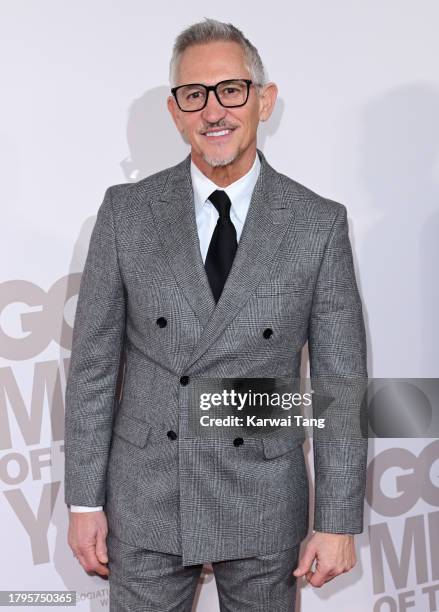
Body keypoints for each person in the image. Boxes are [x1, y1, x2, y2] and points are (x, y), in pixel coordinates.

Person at [64, 18, 368, 611]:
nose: (213, 112)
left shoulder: (317, 222)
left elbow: (340, 383)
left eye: (231, 90)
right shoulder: (126, 213)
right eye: (193, 95)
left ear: (264, 100)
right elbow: (94, 367)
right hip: (148, 493)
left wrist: (337, 520)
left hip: (262, 496)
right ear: (176, 113)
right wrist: (83, 502)